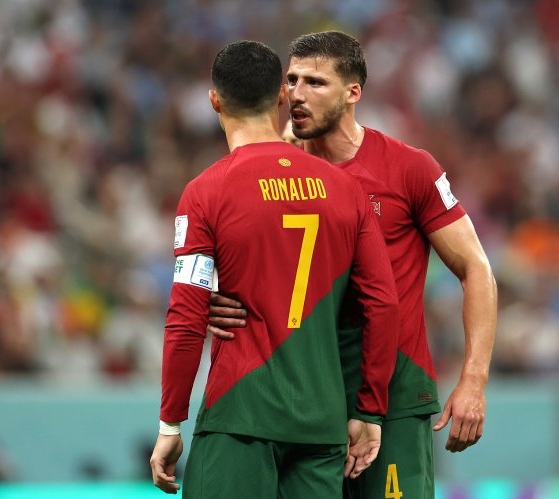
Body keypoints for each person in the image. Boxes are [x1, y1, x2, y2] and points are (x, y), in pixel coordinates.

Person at [208, 31, 498, 499]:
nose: (297, 94)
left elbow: (476, 268)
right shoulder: (276, 174)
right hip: (304, 399)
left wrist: (474, 379)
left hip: (393, 397)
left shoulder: (409, 169)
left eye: (315, 83)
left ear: (352, 93)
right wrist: (215, 299)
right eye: (292, 80)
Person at [149, 40, 401, 498]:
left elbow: (186, 317)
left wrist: (171, 421)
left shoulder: (206, 192)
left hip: (240, 414)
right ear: (283, 96)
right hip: (322, 422)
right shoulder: (345, 190)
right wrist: (370, 409)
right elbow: (383, 304)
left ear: (214, 101)